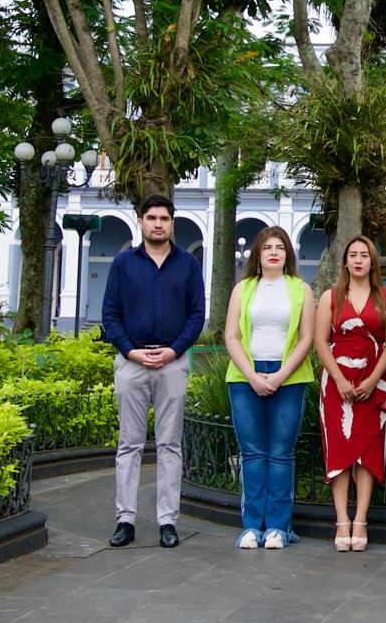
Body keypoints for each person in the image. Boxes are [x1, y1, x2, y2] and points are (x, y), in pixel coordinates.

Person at [101, 195, 205, 549]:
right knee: (129, 444)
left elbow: (196, 315)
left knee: (169, 444)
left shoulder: (188, 264)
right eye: (152, 217)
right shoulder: (122, 264)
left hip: (172, 364)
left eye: (164, 218)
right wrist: (130, 351)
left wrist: (173, 350)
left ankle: (167, 521)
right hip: (132, 363)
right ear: (141, 221)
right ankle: (125, 519)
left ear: (172, 223)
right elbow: (110, 316)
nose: (158, 223)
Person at [222, 227, 315, 550]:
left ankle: (278, 527)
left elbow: (306, 338)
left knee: (280, 454)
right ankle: (251, 526)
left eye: (280, 247)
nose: (273, 252)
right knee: (253, 453)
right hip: (246, 378)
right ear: (257, 255)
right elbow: (231, 336)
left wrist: (279, 376)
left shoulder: (301, 290)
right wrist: (252, 375)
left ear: (288, 254)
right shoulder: (243, 289)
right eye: (267, 248)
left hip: (288, 378)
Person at [314, 236, 386, 552]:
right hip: (337, 382)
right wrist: (338, 379)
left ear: (373, 262)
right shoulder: (330, 297)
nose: (359, 259)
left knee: (367, 450)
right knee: (339, 449)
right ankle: (341, 520)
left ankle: (360, 518)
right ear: (345, 262)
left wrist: (373, 380)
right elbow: (321, 342)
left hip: (373, 381)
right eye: (353, 255)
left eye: (365, 255)